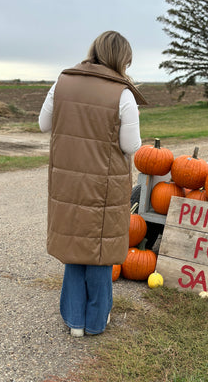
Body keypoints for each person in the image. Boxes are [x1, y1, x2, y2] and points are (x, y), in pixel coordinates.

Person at [39, 31, 147, 337]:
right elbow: (130, 146)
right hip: (104, 185)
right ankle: (96, 321)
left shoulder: (62, 81)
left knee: (74, 245)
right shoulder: (122, 93)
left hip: (68, 181)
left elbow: (43, 124)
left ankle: (74, 320)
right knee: (100, 251)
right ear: (121, 59)